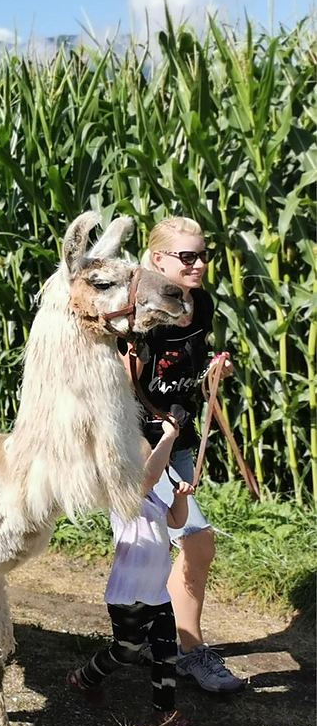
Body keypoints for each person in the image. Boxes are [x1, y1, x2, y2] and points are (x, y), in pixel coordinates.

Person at [129, 216, 244, 694]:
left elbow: (192, 364)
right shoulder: (142, 314)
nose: (199, 264)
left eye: (203, 255)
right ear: (159, 260)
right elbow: (124, 383)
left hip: (181, 437)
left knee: (167, 546)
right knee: (196, 542)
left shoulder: (203, 303)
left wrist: (215, 370)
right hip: (144, 443)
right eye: (187, 256)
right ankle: (189, 651)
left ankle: (151, 639)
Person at [67, 416, 207, 726]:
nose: (153, 470)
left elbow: (176, 521)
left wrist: (181, 498)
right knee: (126, 651)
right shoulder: (122, 497)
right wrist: (169, 437)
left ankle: (166, 714)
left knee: (166, 653)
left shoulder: (153, 498)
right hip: (128, 596)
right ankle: (84, 678)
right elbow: (150, 475)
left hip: (157, 593)